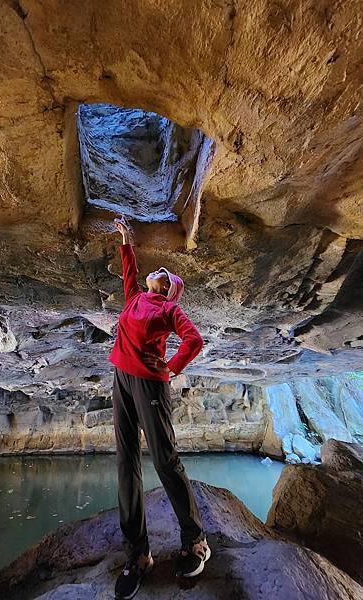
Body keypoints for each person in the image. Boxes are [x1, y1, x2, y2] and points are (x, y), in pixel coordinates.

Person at [109, 214, 210, 600]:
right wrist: (126, 239)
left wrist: (171, 367)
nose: (160, 274)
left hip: (150, 383)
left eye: (167, 277)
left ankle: (196, 541)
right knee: (125, 462)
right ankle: (138, 555)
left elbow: (194, 340)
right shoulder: (136, 297)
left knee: (165, 461)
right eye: (160, 273)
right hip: (120, 377)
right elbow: (128, 271)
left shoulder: (168, 311)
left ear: (170, 291)